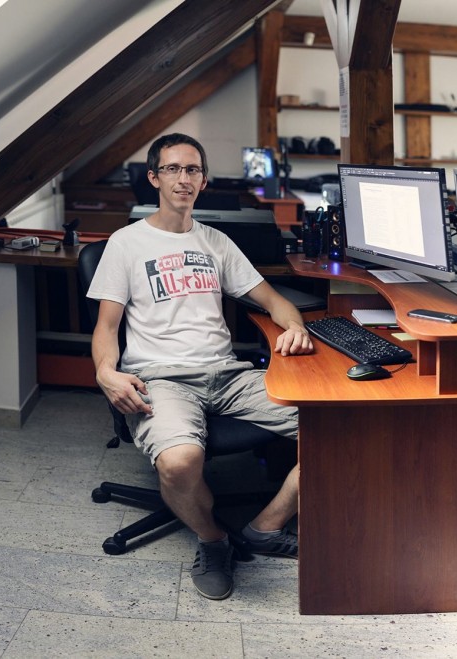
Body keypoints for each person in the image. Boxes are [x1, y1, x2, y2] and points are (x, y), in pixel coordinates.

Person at [87, 133, 314, 600]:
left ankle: (264, 527)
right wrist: (105, 373)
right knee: (179, 462)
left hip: (228, 375)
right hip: (162, 378)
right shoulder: (126, 243)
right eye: (172, 169)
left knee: (345, 428)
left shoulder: (216, 242)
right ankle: (213, 540)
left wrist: (295, 326)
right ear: (154, 178)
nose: (183, 178)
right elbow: (106, 328)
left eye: (192, 170)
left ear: (204, 180)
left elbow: (275, 301)